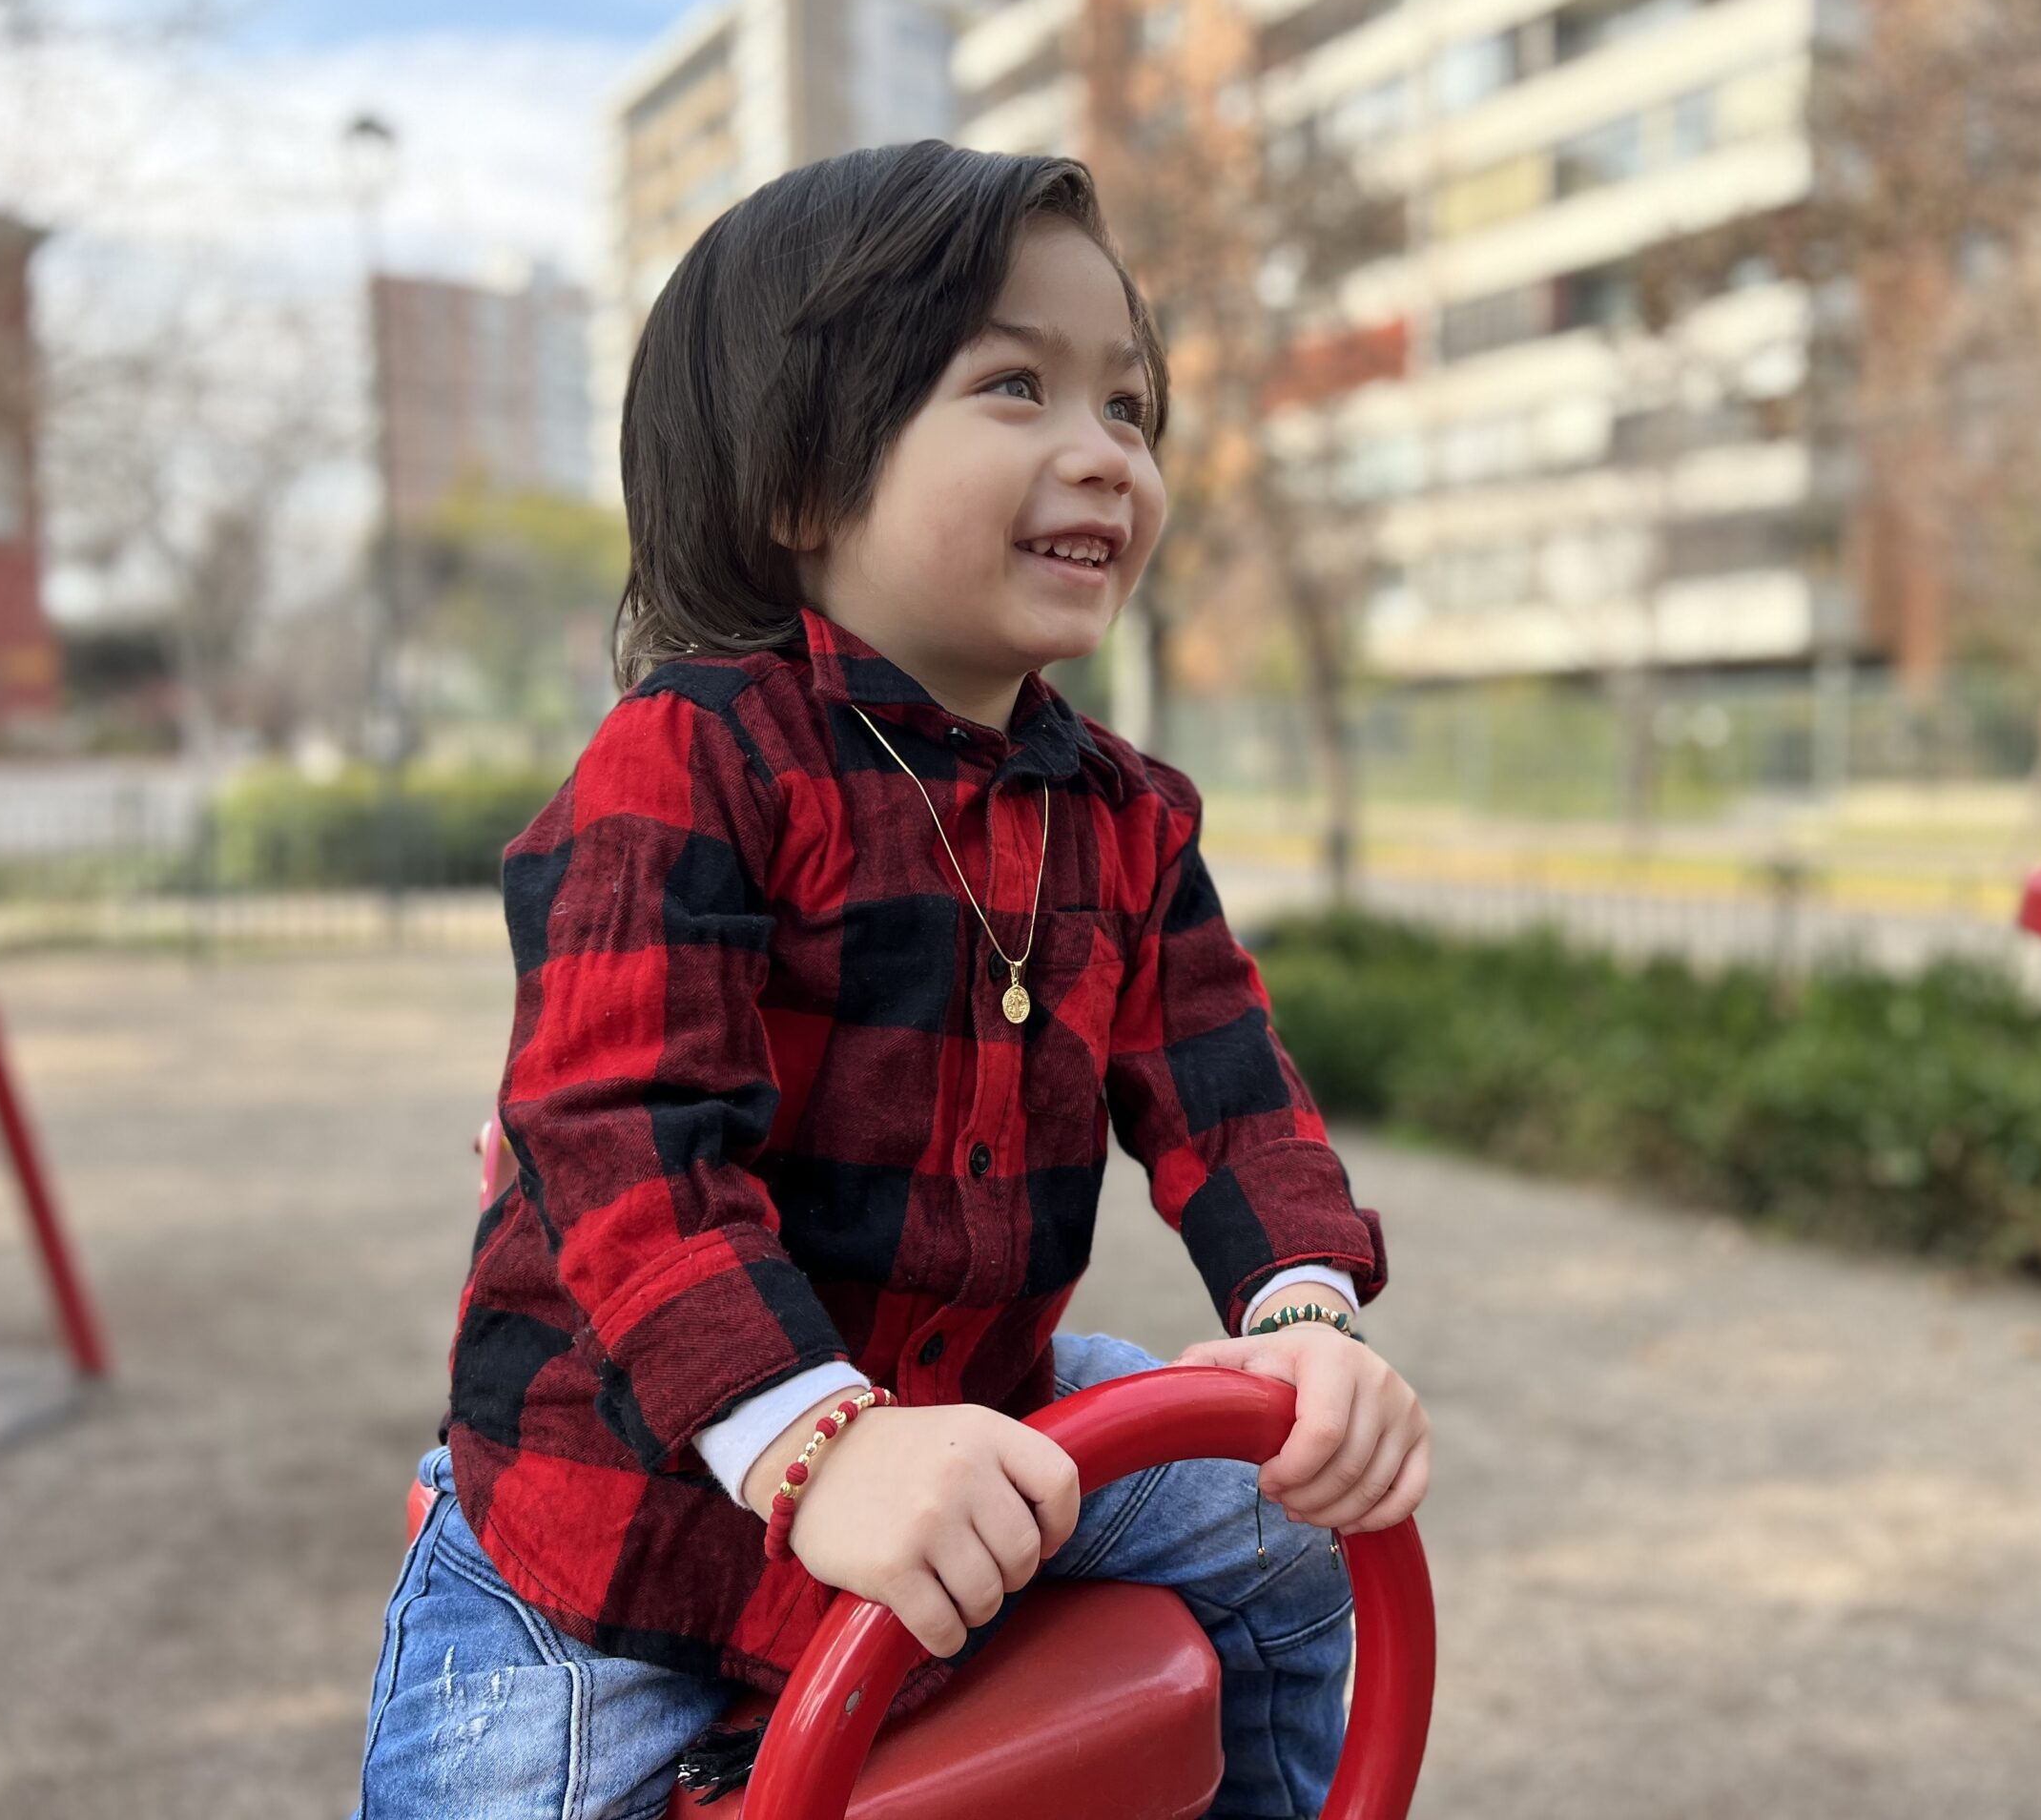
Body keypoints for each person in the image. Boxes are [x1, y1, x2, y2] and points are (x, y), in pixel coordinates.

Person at [350, 141, 1431, 1820]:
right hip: (637, 1500)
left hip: (980, 1414)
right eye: (1017, 385)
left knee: (1285, 1524)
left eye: (1129, 405)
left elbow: (1233, 1095)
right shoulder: (692, 763)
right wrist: (816, 1443)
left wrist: (1301, 1315)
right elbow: (621, 1135)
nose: (1107, 453)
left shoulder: (1127, 818)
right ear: (800, 475)